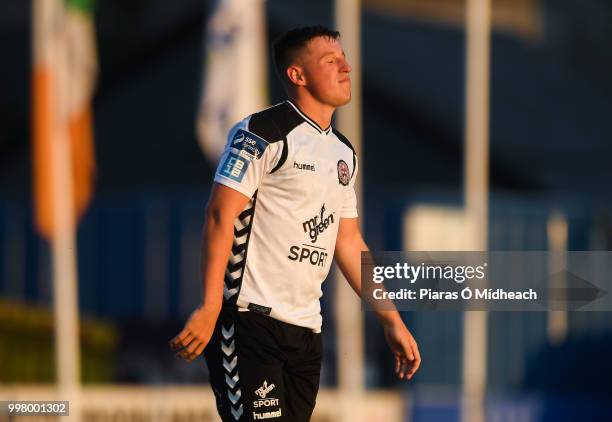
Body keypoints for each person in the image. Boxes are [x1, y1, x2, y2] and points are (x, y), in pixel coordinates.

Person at [170, 25, 421, 422]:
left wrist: (391, 318)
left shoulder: (343, 153)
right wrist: (210, 305)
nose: (346, 67)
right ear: (297, 75)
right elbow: (219, 215)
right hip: (251, 322)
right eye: (331, 60)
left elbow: (350, 241)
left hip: (307, 332)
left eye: (344, 58)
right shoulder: (261, 133)